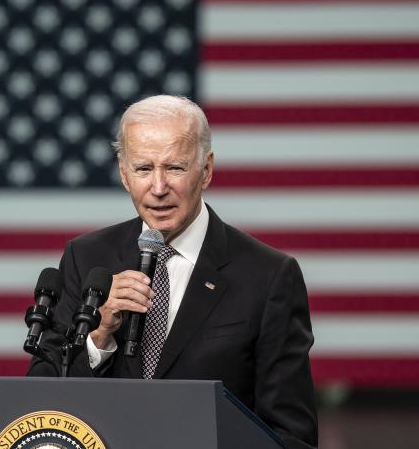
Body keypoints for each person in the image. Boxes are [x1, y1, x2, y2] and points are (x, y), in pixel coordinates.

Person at [28, 95, 318, 448]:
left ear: (207, 170)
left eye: (176, 168)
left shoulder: (269, 276)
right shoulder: (87, 258)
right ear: (124, 174)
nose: (159, 187)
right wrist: (99, 335)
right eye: (143, 169)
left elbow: (292, 436)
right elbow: (42, 403)